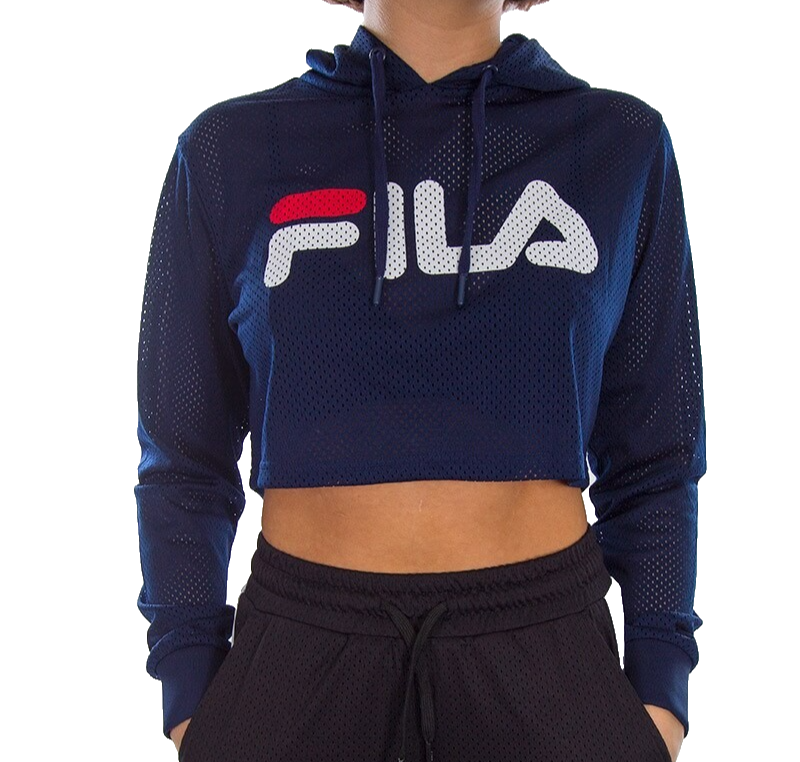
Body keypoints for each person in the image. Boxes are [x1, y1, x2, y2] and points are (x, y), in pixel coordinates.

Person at [133, 0, 706, 760]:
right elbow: (183, 455)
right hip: (299, 655)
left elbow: (657, 452)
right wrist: (189, 690)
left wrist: (661, 691)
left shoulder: (617, 144)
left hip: (547, 654)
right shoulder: (229, 150)